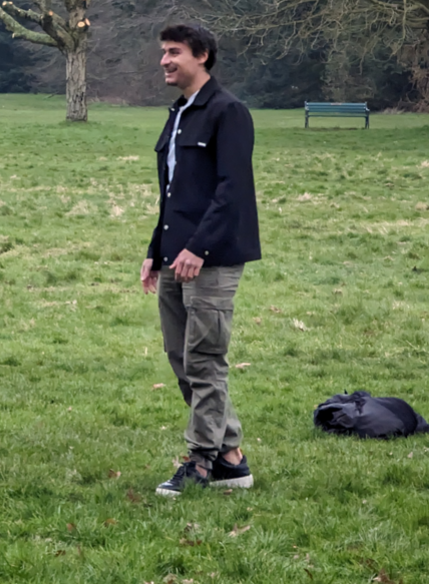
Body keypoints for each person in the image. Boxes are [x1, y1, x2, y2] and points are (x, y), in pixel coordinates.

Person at [140, 25, 261, 496]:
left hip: (211, 257)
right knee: (182, 358)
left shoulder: (228, 113)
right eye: (163, 53)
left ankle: (201, 461)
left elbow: (233, 191)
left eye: (174, 53)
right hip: (175, 255)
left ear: (202, 56)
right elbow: (173, 195)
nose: (165, 61)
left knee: (205, 359)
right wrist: (156, 251)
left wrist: (199, 248)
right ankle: (232, 459)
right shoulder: (179, 114)